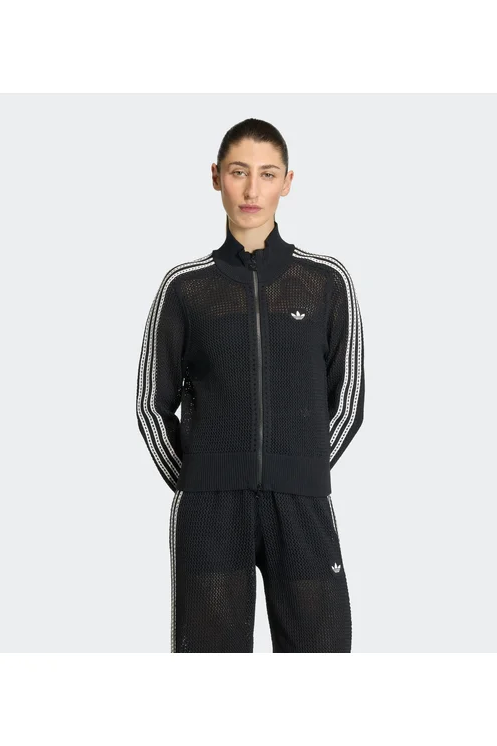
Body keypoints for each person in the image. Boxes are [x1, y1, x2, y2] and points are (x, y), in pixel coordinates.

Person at [136, 118, 365, 652]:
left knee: (322, 653)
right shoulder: (186, 288)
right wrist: (196, 480)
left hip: (301, 506)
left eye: (267, 174)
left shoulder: (326, 282)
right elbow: (151, 404)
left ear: (287, 182)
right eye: (239, 172)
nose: (252, 190)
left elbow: (349, 401)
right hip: (211, 511)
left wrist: (302, 468)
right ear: (217, 176)